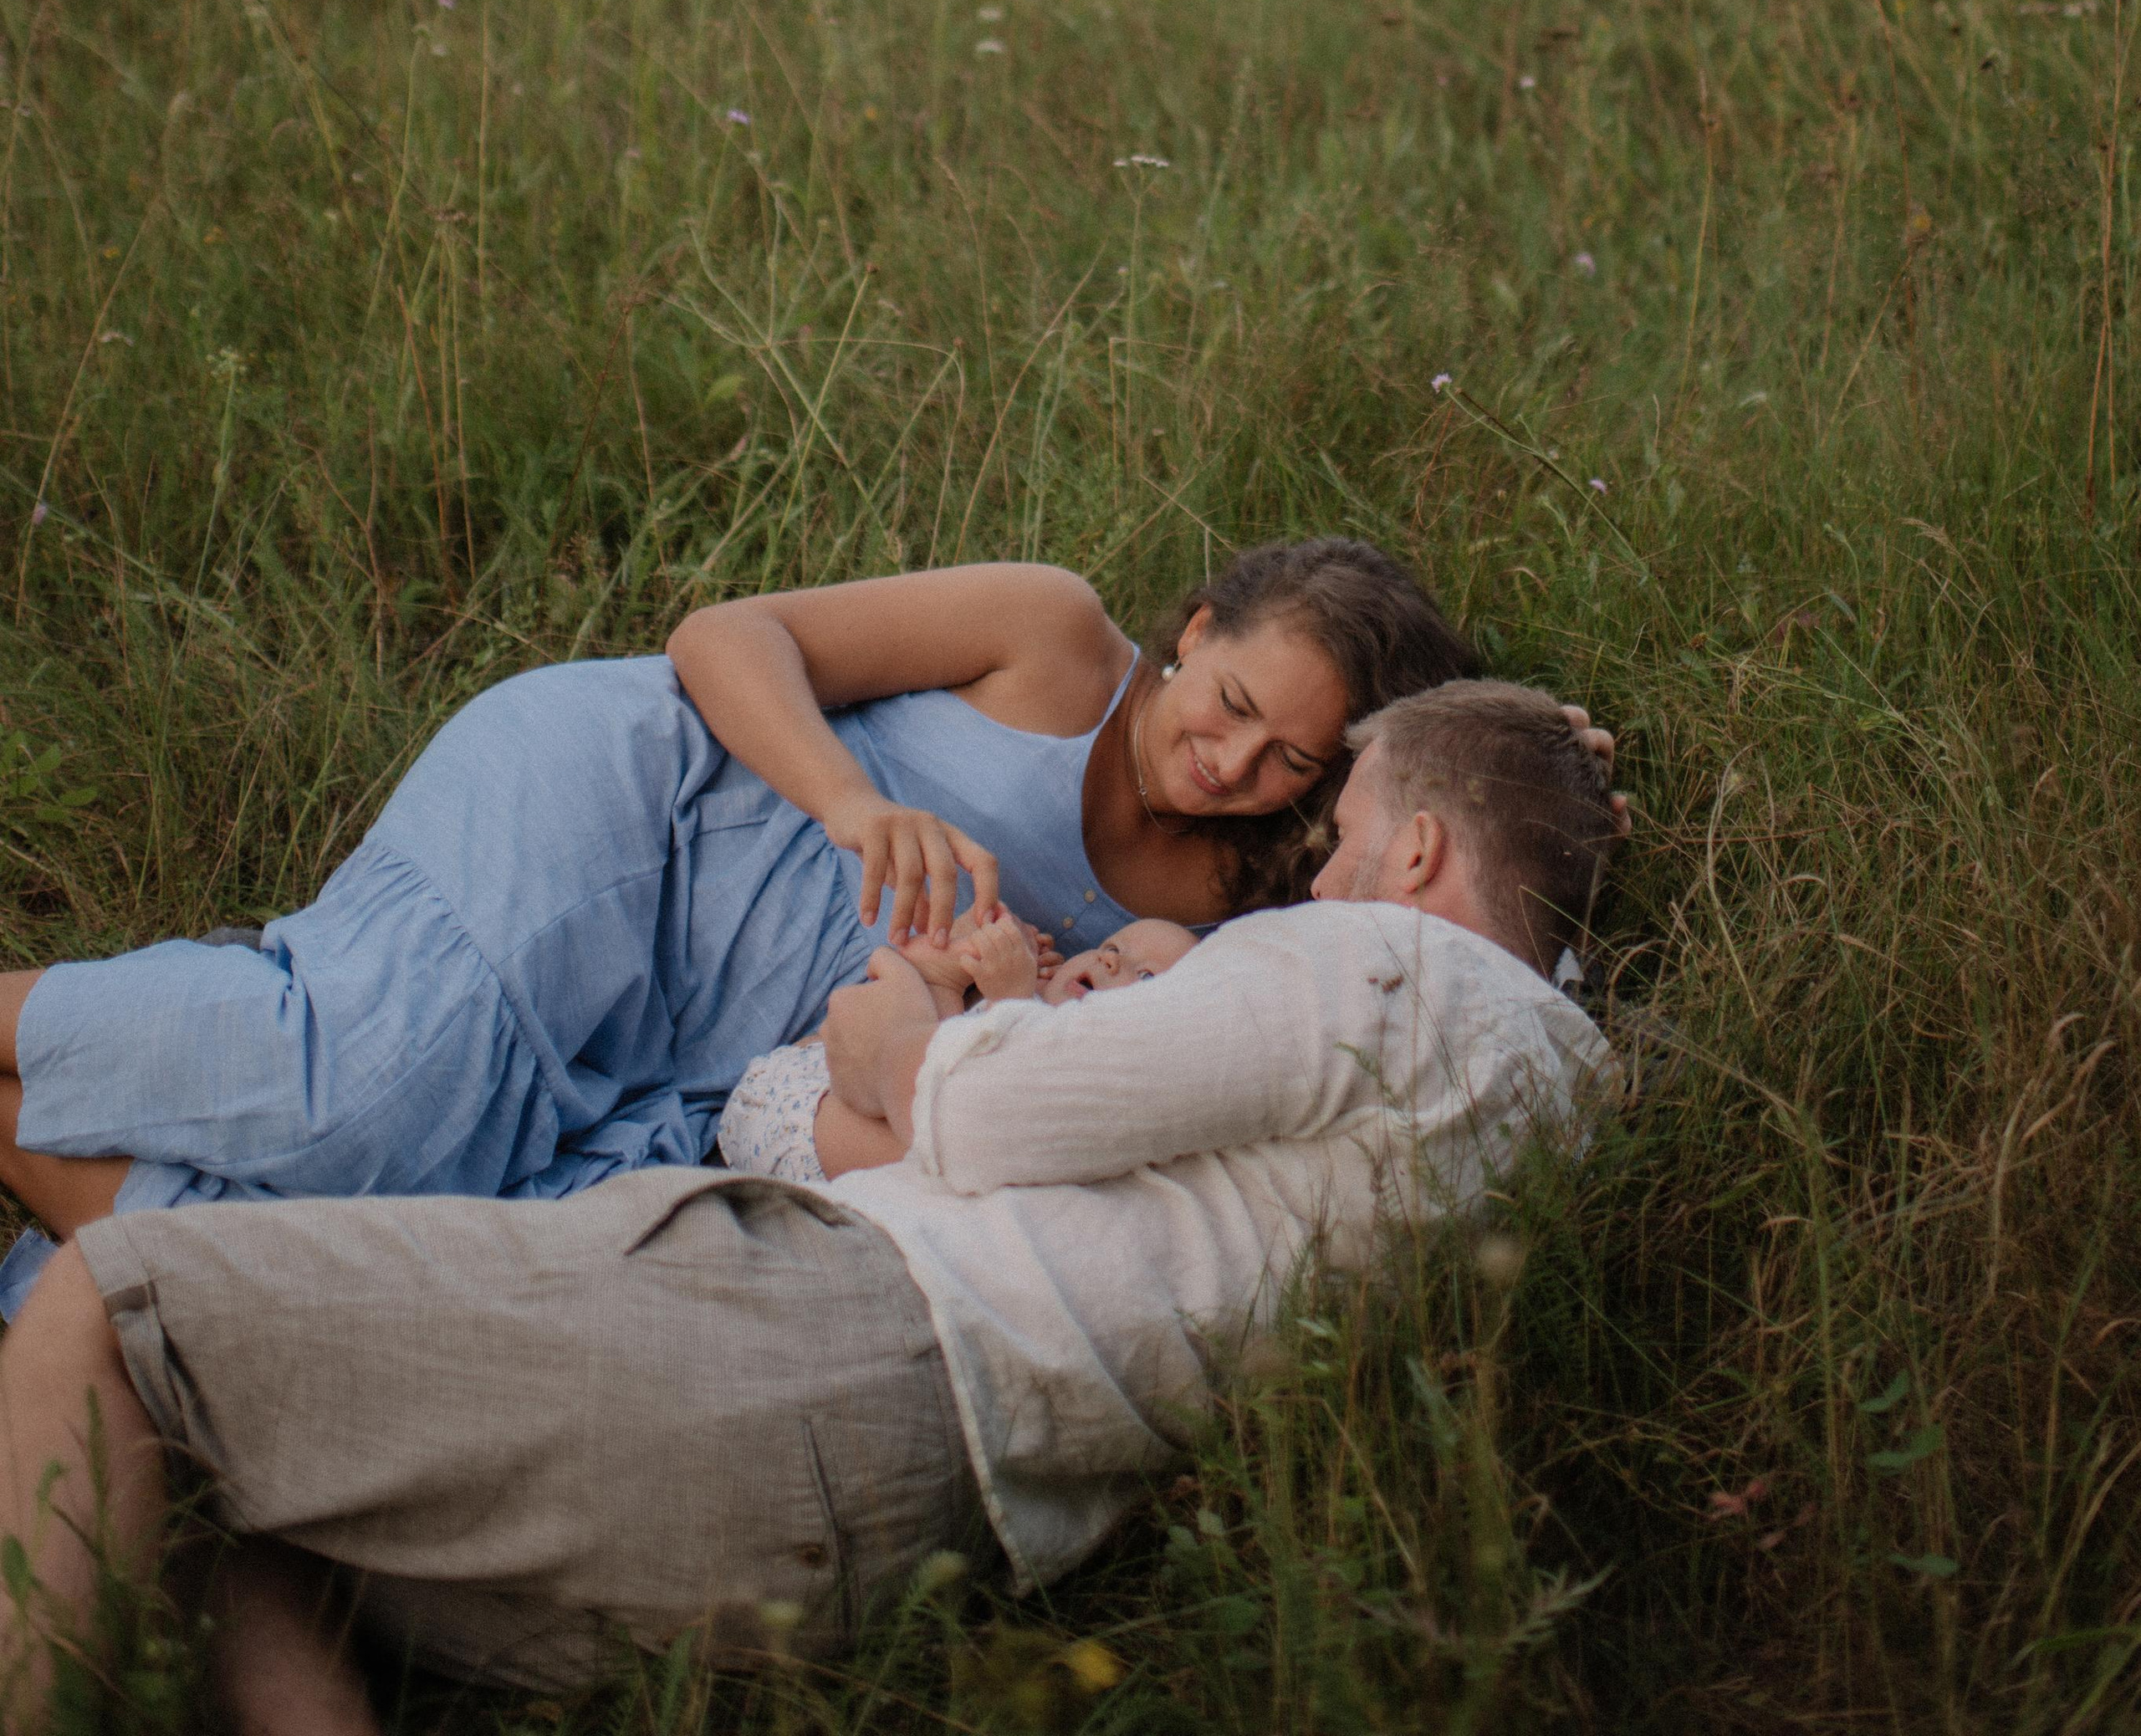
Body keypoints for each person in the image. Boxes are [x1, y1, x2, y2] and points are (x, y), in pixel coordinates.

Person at [0, 680, 1621, 1733]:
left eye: (1337, 842)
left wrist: (914, 1027)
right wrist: (1534, 773)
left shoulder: (1378, 961)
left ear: (1415, 855)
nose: (1311, 883)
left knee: (111, 1305)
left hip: (819, 1352)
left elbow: (982, 1105)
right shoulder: (1561, 1102)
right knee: (238, 1496)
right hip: (921, 1535)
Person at [0, 541, 1556, 1305]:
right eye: (1227, 702)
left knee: (389, 1253)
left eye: (1287, 758)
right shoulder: (1054, 640)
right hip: (651, 821)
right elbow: (724, 636)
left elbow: (1450, 887)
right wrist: (847, 802)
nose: (1228, 763)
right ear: (1196, 630)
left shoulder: (1245, 895)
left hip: (704, 1058)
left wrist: (1549, 755)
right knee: (358, 1090)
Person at [717, 908, 1199, 1184]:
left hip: (806, 1133)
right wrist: (999, 985)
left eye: (1147, 976)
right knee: (931, 1098)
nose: (1113, 963)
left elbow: (980, 1099)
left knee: (938, 1131)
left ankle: (930, 979)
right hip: (796, 1103)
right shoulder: (1034, 1010)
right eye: (1112, 948)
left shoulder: (1080, 1065)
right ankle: (933, 977)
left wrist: (1008, 995)